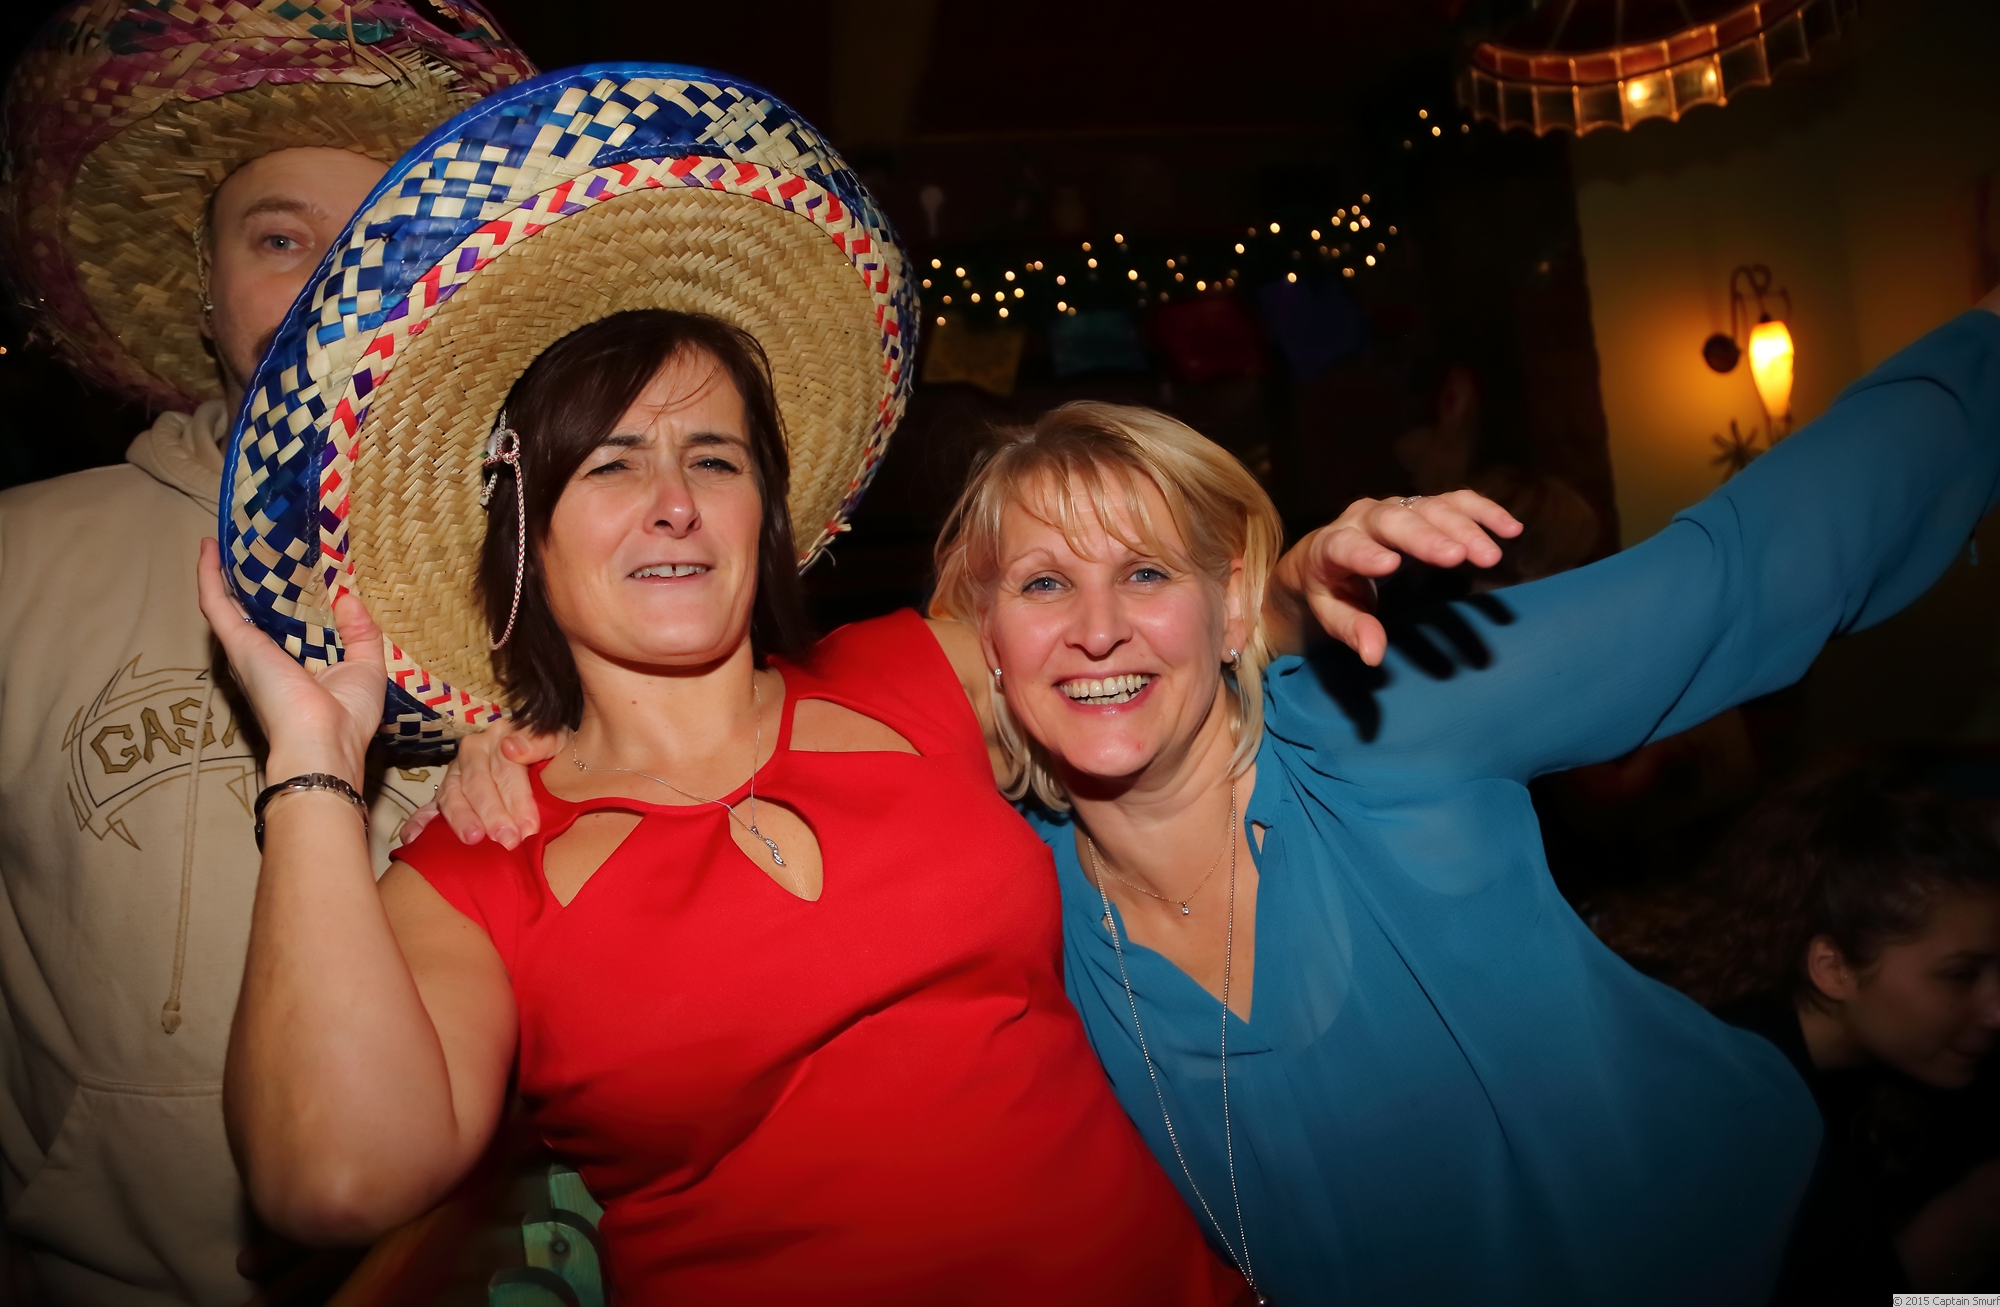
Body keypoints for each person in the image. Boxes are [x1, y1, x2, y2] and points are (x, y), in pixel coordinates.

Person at [203, 64, 1516, 1302]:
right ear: (525, 537)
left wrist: (1292, 585)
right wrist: (312, 759)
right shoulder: (475, 867)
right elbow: (335, 1177)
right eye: (608, 465)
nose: (673, 501)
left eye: (716, 458)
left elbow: (1135, 646)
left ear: (767, 513)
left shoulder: (918, 666)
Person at [444, 292, 2000, 1303]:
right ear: (983, 647)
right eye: (1041, 585)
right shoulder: (1012, 892)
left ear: (1234, 593)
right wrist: (504, 741)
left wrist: (1983, 355)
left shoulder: (1389, 714)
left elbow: (1737, 579)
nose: (1096, 627)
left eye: (1146, 574)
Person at [0, 0, 531, 1300]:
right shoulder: (21, 560)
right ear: (206, 286)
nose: (333, 282)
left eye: (381, 240)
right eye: (281, 238)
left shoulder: (554, 561)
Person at [1595, 760, 2000, 1296]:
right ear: (1833, 968)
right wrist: (1971, 1225)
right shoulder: (1740, 1116)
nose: (1996, 1012)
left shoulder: (1861, 1088)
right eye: (1961, 975)